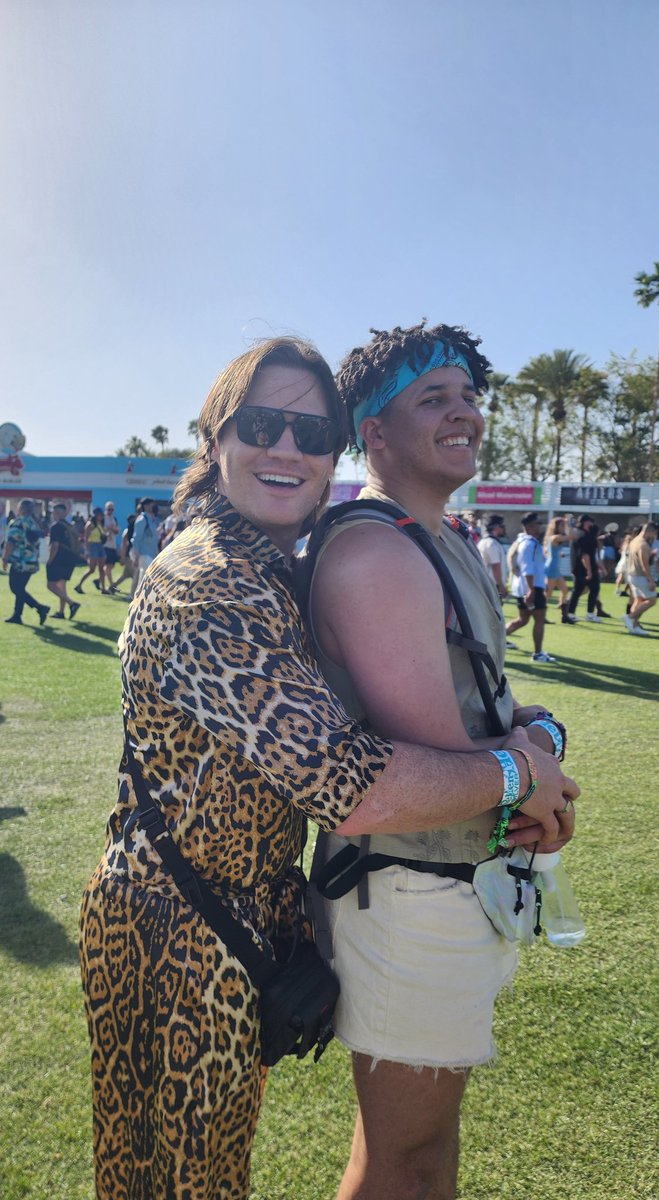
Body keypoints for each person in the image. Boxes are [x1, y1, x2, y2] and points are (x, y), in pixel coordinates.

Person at [79, 335, 577, 1200]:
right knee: (180, 1185)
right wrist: (513, 773)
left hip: (225, 916)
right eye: (263, 424)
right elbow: (349, 786)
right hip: (175, 927)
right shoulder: (214, 582)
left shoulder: (264, 564)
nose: (287, 449)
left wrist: (510, 732)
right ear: (217, 437)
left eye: (312, 435)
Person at [308, 322, 577, 1200]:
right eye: (433, 399)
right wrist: (528, 776)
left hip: (451, 884)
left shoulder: (441, 537)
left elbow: (482, 709)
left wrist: (532, 740)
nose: (462, 412)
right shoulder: (376, 552)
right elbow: (435, 769)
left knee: (414, 1149)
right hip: (411, 889)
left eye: (467, 395)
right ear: (373, 434)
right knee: (406, 1161)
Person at [506, 511, 555, 662]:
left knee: (523, 619)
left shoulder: (522, 541)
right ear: (531, 526)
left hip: (524, 587)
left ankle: (496, 639)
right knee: (539, 620)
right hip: (530, 588)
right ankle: (538, 653)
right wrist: (532, 590)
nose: (540, 527)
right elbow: (527, 568)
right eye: (538, 524)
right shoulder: (530, 543)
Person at [2, 498, 49, 626]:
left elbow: (11, 542)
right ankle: (17, 615)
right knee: (20, 588)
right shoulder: (34, 523)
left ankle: (40, 607)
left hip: (19, 561)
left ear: (21, 509)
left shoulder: (17, 523)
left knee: (15, 588)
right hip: (31, 561)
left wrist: (5, 558)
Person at [46, 501, 81, 619]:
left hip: (59, 558)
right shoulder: (69, 525)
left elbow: (54, 546)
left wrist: (50, 560)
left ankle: (72, 603)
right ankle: (61, 612)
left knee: (51, 585)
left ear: (56, 513)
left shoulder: (55, 526)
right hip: (71, 558)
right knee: (61, 585)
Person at [623, 522, 657, 635]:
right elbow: (644, 564)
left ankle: (634, 626)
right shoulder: (643, 544)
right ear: (650, 531)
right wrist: (651, 580)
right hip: (640, 576)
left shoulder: (634, 541)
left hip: (632, 575)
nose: (654, 536)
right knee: (652, 600)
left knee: (639, 600)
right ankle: (630, 618)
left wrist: (650, 553)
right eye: (654, 533)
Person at [543, 515, 577, 624]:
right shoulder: (555, 537)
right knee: (548, 593)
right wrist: (569, 524)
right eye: (562, 525)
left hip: (555, 568)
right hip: (552, 568)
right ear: (556, 527)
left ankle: (564, 616)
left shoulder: (554, 537)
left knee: (565, 590)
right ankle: (541, 616)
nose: (563, 527)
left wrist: (559, 553)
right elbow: (572, 536)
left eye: (564, 525)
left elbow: (548, 551)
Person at [131, 496, 160, 591]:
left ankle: (138, 598)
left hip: (151, 553)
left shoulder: (152, 520)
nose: (154, 507)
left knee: (144, 578)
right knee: (150, 577)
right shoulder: (142, 519)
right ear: (146, 506)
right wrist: (136, 556)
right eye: (152, 505)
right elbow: (136, 539)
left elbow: (154, 539)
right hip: (143, 554)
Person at [75, 508, 107, 594]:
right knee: (91, 569)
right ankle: (79, 585)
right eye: (100, 515)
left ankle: (103, 588)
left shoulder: (100, 524)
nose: (101, 516)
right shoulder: (90, 524)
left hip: (100, 545)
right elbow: (86, 538)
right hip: (93, 546)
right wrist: (87, 550)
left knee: (102, 569)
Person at [477, 513, 508, 600]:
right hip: (492, 586)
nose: (503, 528)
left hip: (484, 585)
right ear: (496, 527)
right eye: (502, 525)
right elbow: (495, 567)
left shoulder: (483, 542)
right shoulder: (492, 543)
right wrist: (501, 586)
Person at [102, 501, 120, 591]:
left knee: (111, 566)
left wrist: (112, 528)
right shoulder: (102, 518)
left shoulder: (114, 519)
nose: (110, 511)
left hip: (112, 545)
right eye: (109, 509)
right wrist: (107, 529)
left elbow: (117, 531)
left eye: (112, 509)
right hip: (105, 545)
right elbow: (101, 530)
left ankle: (99, 580)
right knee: (108, 566)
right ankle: (112, 585)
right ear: (106, 509)